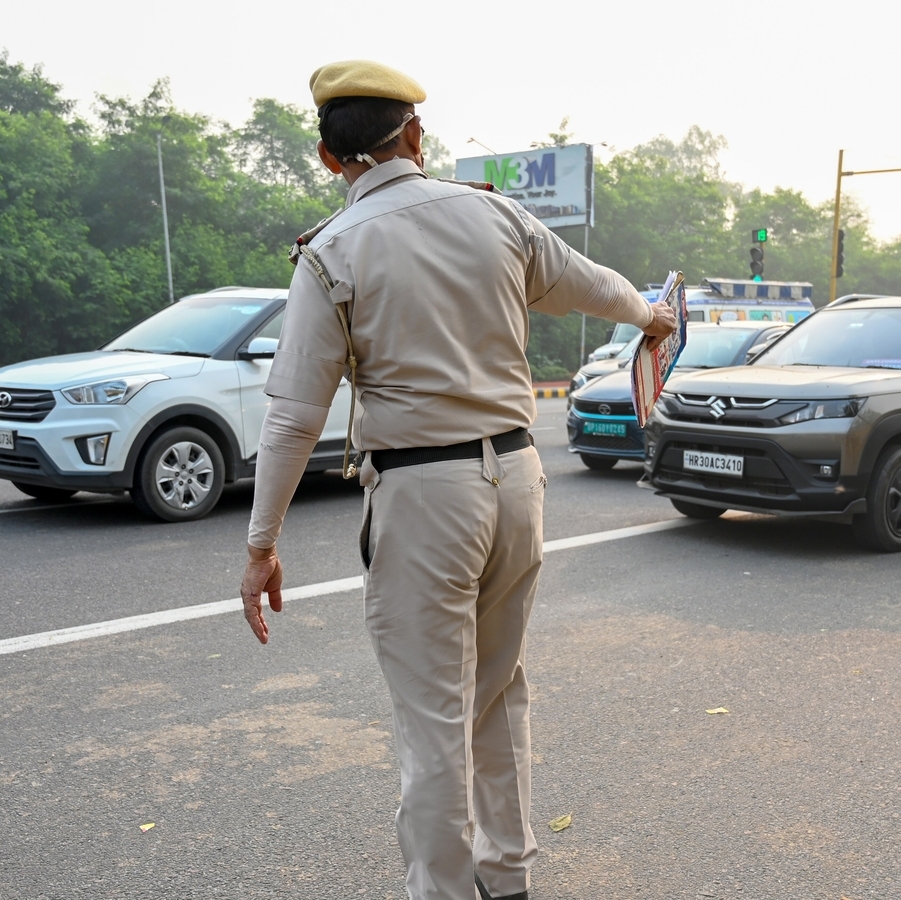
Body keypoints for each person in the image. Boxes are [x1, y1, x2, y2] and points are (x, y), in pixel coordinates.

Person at [237, 60, 677, 900]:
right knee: (498, 687)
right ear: (414, 135)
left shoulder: (331, 253)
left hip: (422, 496)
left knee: (435, 718)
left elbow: (294, 417)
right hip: (517, 481)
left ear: (330, 160)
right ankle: (506, 877)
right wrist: (654, 317)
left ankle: (442, 891)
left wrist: (262, 545)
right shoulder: (497, 216)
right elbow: (598, 288)